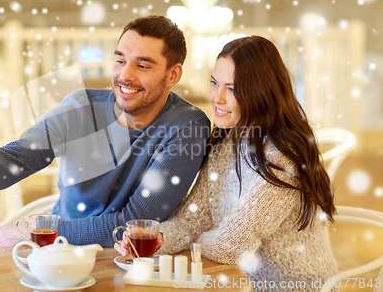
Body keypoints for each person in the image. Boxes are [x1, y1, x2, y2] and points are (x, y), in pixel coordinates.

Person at [0, 15, 211, 248]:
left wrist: (32, 233)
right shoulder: (81, 107)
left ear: (173, 75)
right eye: (120, 61)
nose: (125, 76)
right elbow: (14, 161)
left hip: (130, 261)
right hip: (58, 255)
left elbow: (137, 222)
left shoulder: (186, 125)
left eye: (142, 65)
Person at [115, 36, 338, 291]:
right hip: (238, 281)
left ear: (261, 92)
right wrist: (156, 239)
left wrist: (192, 241)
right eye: (214, 83)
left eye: (231, 88)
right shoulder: (226, 142)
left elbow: (231, 246)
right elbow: (191, 220)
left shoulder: (282, 156)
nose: (217, 98)